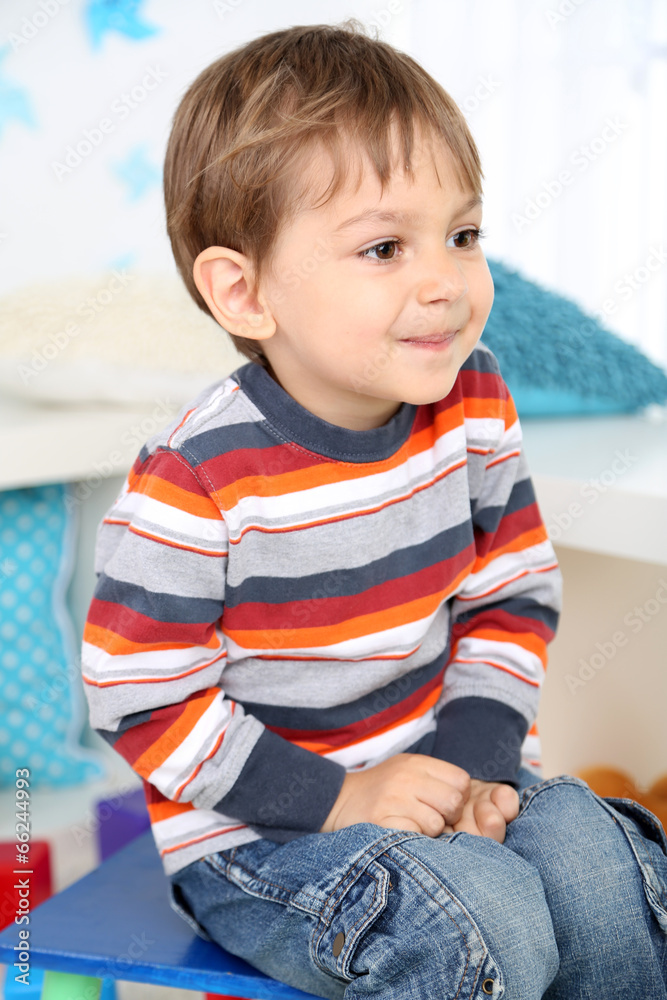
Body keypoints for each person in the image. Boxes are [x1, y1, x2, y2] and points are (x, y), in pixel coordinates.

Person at [81, 20, 667, 999]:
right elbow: (140, 696)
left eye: (462, 236)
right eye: (385, 247)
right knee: (478, 917)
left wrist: (477, 769)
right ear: (244, 291)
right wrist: (344, 796)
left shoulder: (472, 398)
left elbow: (509, 598)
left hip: (446, 772)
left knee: (599, 864)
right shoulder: (196, 476)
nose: (444, 281)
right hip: (262, 832)